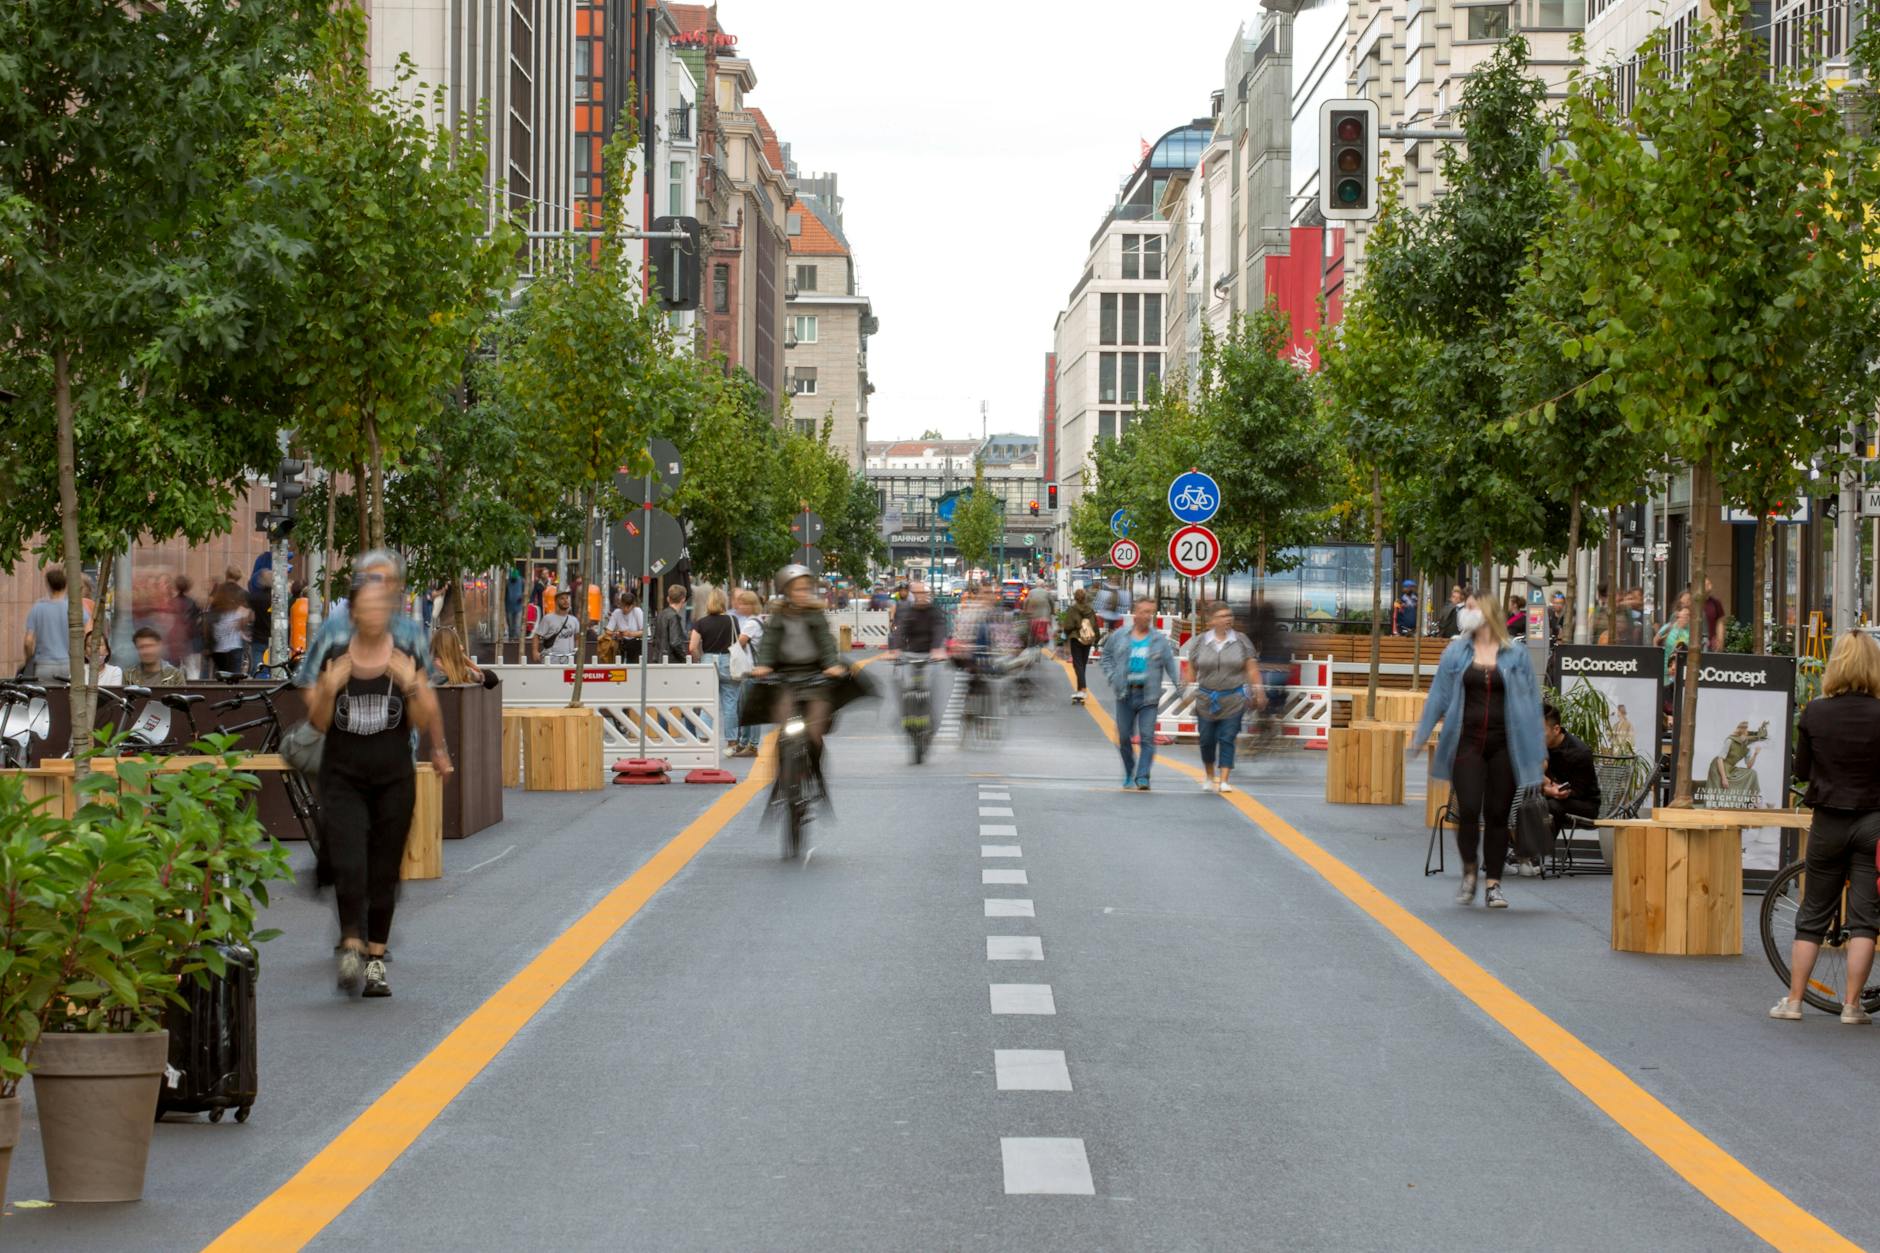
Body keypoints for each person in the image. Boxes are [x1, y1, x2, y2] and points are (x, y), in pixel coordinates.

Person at [304, 566, 452, 999]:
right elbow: (317, 723)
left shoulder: (405, 651)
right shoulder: (335, 652)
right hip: (343, 776)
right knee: (349, 863)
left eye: (380, 606)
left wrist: (410, 686)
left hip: (393, 777)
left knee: (385, 869)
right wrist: (329, 688)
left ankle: (374, 959)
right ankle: (350, 942)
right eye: (365, 607)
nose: (373, 614)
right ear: (352, 613)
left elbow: (423, 718)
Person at [1411, 591, 1546, 910]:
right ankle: (1470, 869)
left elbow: (1530, 704)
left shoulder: (1517, 655)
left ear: (1486, 613)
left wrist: (1539, 751)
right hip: (1466, 742)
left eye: (1470, 608)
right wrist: (1420, 735)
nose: (1464, 612)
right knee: (1469, 808)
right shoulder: (1456, 652)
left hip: (1505, 745)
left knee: (1499, 815)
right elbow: (1438, 696)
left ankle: (1494, 884)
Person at [1771, 630, 1880, 1022]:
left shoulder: (1816, 712)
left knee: (1814, 912)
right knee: (1866, 919)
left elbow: (1802, 771)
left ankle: (1795, 1001)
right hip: (1873, 822)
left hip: (1828, 819)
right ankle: (1853, 1006)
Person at [749, 565, 848, 781]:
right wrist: (763, 665)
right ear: (786, 591)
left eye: (806, 589)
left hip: (815, 676)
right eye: (797, 590)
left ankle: (815, 769)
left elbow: (826, 642)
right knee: (785, 727)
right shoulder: (777, 616)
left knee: (814, 730)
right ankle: (782, 773)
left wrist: (832, 665)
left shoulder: (816, 615)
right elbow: (768, 644)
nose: (803, 594)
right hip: (785, 677)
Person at [1098, 596, 1180, 792]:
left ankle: (1143, 776)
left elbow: (1171, 666)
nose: (1147, 616)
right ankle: (1129, 771)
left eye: (1150, 613)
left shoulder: (1159, 640)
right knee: (1124, 737)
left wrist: (1181, 688)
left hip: (1148, 696)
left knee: (1146, 737)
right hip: (1125, 694)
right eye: (1144, 612)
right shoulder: (1120, 636)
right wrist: (1112, 676)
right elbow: (1106, 656)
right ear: (1135, 613)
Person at [1184, 601, 1259, 794]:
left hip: (1233, 698)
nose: (1228, 619)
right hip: (1205, 699)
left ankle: (1224, 779)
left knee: (1228, 737)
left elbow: (1251, 668)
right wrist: (1187, 684)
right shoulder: (1200, 641)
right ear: (1211, 621)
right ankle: (1209, 775)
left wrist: (1258, 690)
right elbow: (1191, 665)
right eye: (1223, 616)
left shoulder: (1241, 640)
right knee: (1207, 740)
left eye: (1229, 615)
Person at [1524, 703, 1602, 877]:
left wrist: (1555, 792)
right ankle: (1515, 851)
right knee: (1517, 796)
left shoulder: (1580, 752)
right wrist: (1547, 789)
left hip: (1585, 804)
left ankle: (1536, 855)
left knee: (1551, 805)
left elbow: (1581, 792)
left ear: (1556, 729)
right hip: (1551, 796)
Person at [689, 588, 740, 749]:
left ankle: (704, 737)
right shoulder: (732, 620)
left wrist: (699, 658)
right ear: (723, 602)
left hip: (708, 661)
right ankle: (731, 740)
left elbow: (692, 647)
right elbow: (737, 642)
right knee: (730, 703)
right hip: (727, 661)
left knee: (707, 702)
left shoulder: (701, 622)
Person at [21, 565, 87, 681]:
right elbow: (87, 631)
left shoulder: (38, 608)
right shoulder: (74, 607)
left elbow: (28, 641)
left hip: (44, 664)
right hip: (70, 664)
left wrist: (29, 658)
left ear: (48, 585)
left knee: (44, 698)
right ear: (66, 584)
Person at [728, 589, 767, 756]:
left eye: (743, 603)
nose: (739, 606)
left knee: (749, 709)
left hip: (751, 670)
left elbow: (740, 643)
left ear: (751, 606)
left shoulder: (751, 623)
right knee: (747, 708)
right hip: (753, 670)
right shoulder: (757, 621)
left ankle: (751, 745)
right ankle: (746, 743)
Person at [207, 575, 251, 678]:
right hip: (234, 647)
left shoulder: (214, 611)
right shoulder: (236, 611)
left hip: (218, 650)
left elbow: (209, 627)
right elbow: (247, 616)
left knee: (221, 676)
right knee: (234, 677)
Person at [1060, 588, 1099, 705]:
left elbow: (1068, 626)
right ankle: (1079, 689)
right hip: (1088, 639)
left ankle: (1082, 689)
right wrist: (1096, 639)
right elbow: (1095, 624)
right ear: (1085, 597)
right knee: (1082, 663)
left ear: (1075, 597)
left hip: (1076, 639)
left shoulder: (1073, 609)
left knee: (1078, 664)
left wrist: (1064, 634)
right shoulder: (1090, 609)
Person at [531, 592, 580, 665]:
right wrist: (535, 652)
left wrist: (576, 650)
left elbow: (577, 637)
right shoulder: (548, 619)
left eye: (567, 598)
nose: (566, 600)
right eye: (562, 598)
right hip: (550, 661)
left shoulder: (574, 620)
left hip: (568, 661)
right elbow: (536, 636)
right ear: (556, 601)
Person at [605, 591, 644, 664]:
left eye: (628, 607)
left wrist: (629, 634)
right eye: (623, 606)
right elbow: (608, 631)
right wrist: (616, 634)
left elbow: (643, 631)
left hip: (635, 644)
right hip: (621, 644)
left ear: (632, 605)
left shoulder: (637, 611)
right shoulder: (617, 613)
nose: (625, 609)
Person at [655, 584, 691, 664]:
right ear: (683, 599)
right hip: (671, 661)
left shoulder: (661, 614)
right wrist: (684, 658)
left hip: (659, 659)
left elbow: (655, 639)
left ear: (668, 599)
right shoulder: (674, 616)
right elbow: (675, 642)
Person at [248, 569, 274, 673]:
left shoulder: (254, 597)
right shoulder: (277, 598)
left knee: (258, 668)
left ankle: (258, 687)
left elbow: (250, 617)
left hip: (258, 637)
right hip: (273, 637)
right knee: (273, 667)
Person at [1657, 604, 1691, 683]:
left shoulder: (1690, 632)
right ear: (1678, 615)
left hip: (1681, 670)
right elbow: (1656, 640)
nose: (1687, 618)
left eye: (1689, 616)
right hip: (1665, 669)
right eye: (1685, 615)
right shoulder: (1669, 627)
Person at [1025, 581, 1055, 651]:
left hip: (1033, 617)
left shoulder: (1031, 592)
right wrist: (1053, 612)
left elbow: (1026, 601)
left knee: (1031, 631)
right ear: (1043, 585)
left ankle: (1032, 642)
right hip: (1044, 617)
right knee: (1043, 631)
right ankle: (1041, 642)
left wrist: (1025, 610)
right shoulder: (1046, 593)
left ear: (1036, 585)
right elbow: (1052, 603)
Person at [505, 567, 525, 641]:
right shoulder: (507, 582)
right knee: (510, 624)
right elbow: (504, 594)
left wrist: (522, 597)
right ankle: (511, 637)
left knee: (517, 624)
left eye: (515, 578)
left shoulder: (522, 581)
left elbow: (526, 590)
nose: (514, 579)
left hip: (518, 606)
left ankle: (517, 638)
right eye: (513, 578)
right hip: (509, 606)